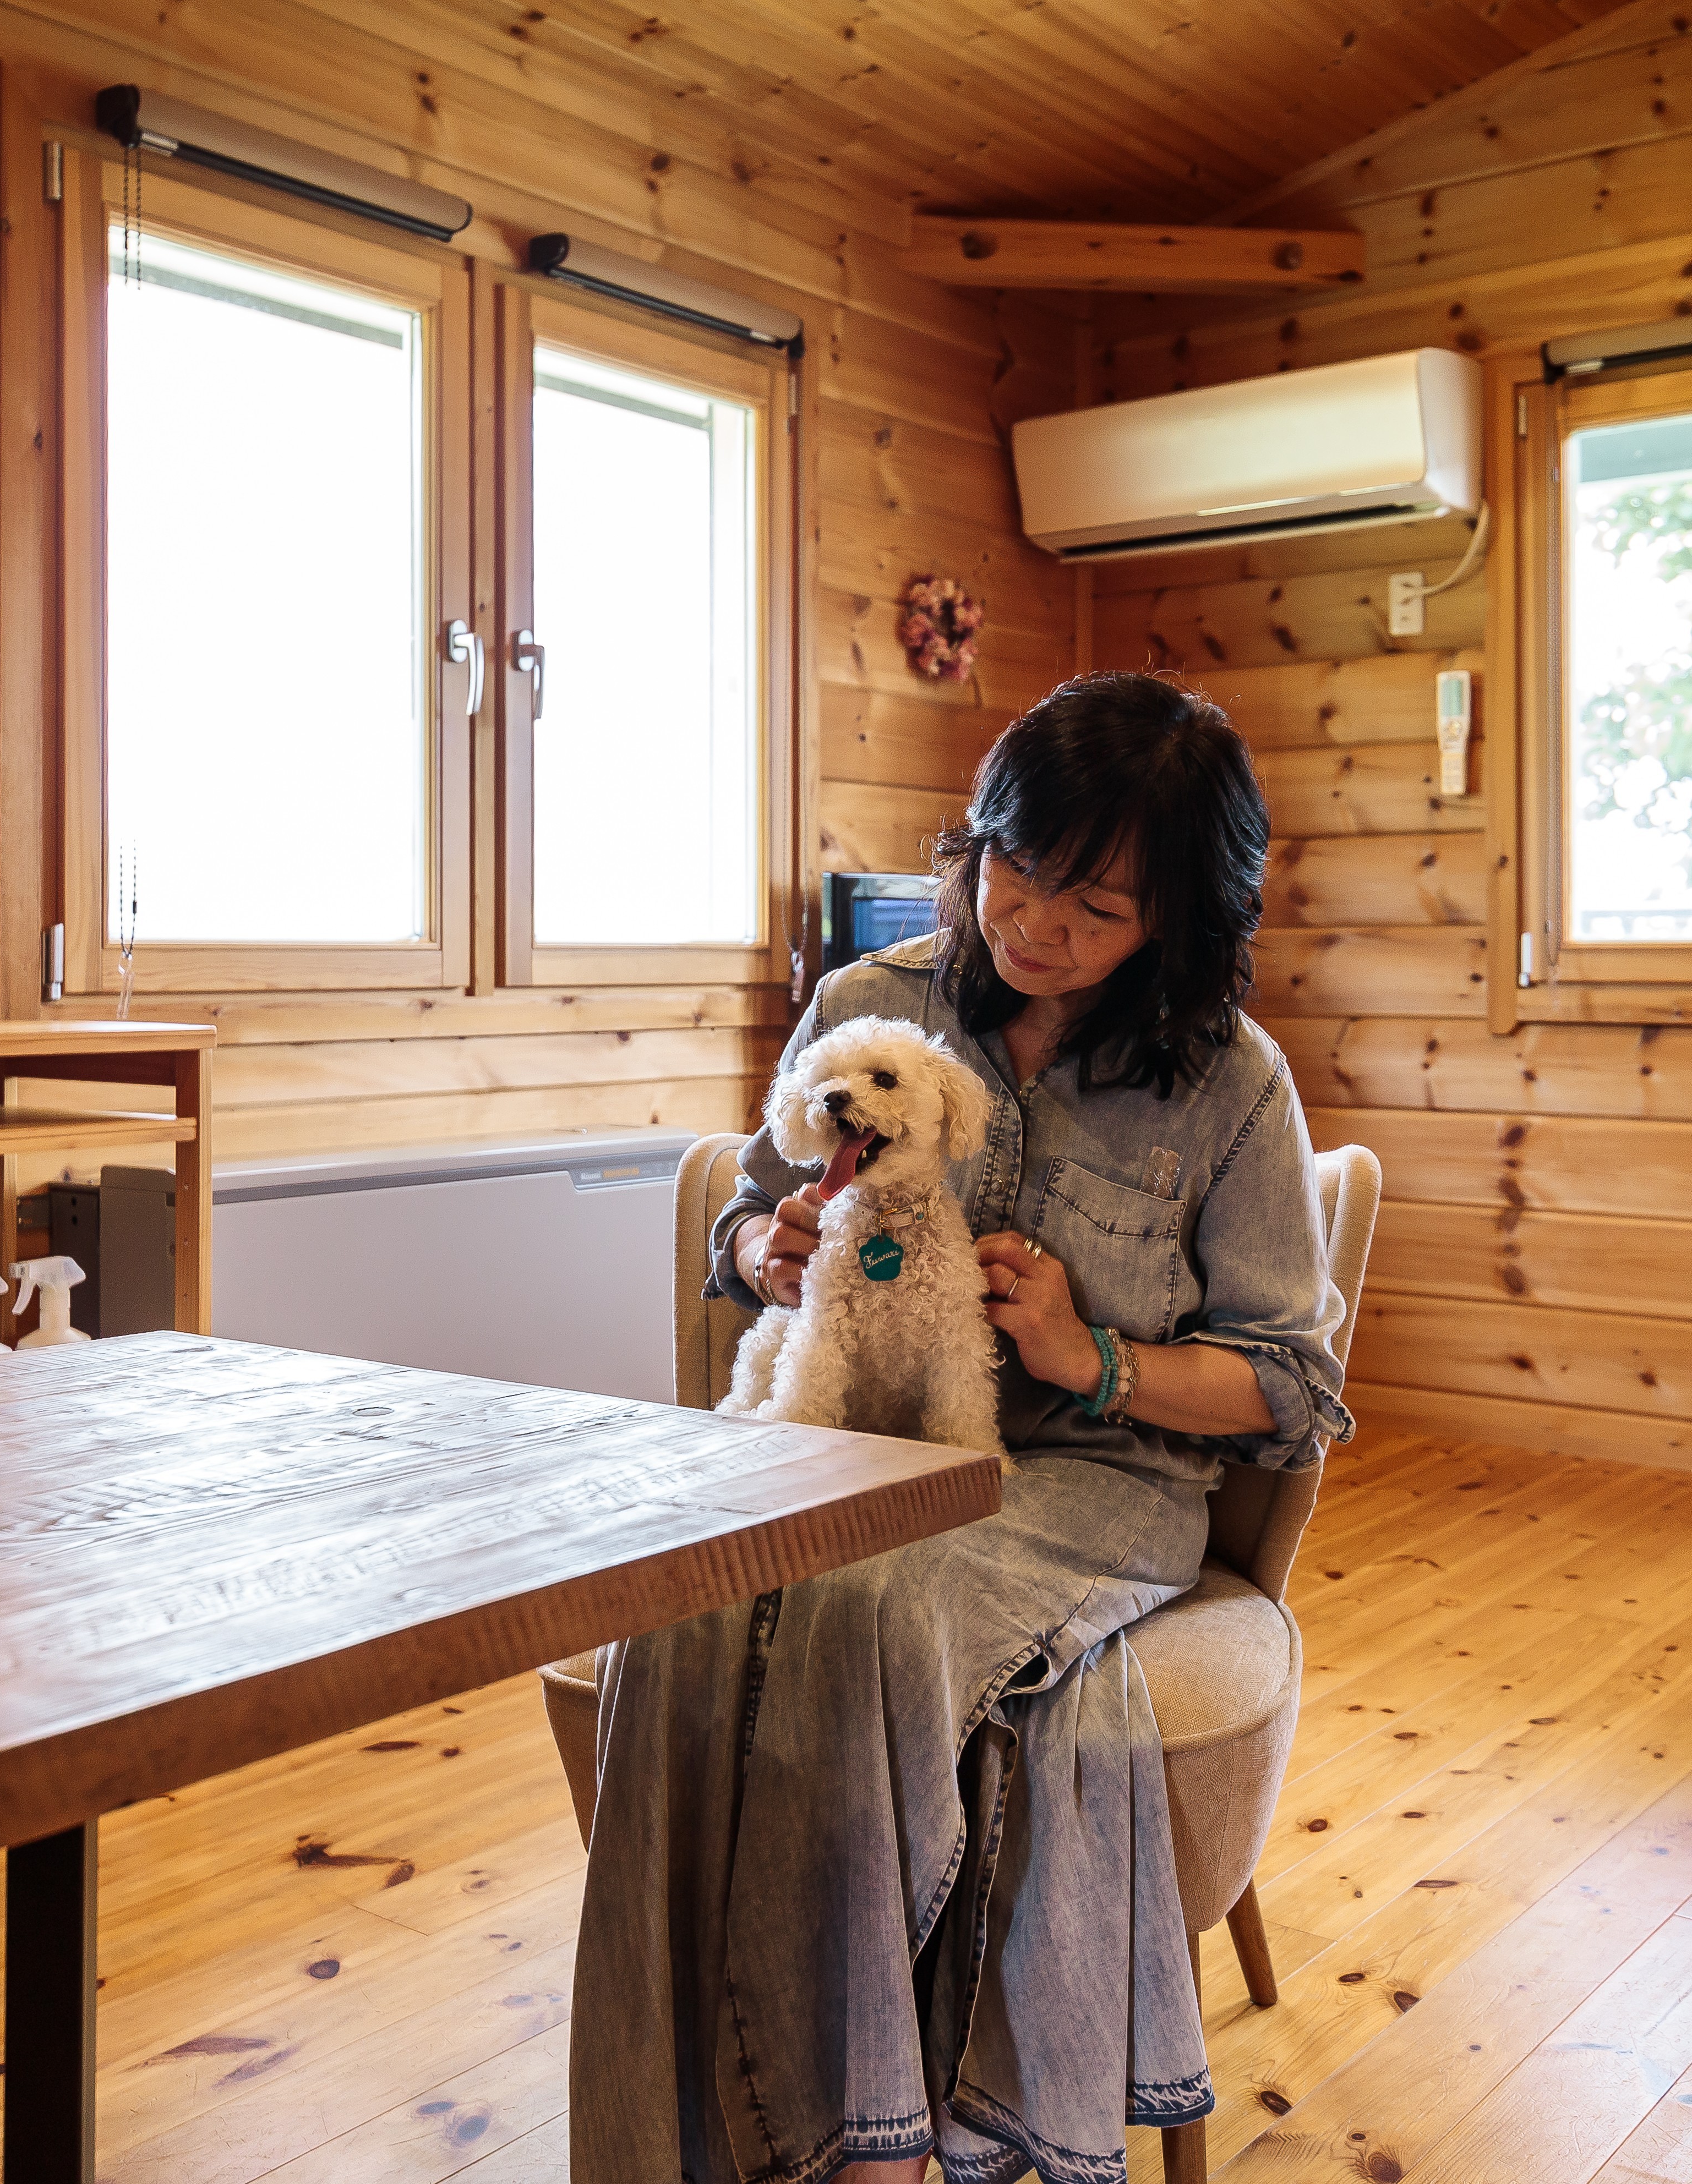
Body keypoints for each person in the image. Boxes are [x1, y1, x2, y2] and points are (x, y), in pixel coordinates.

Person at [571, 671, 1355, 2184]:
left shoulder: (1229, 1086)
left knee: (867, 1610)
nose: (1033, 925)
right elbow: (744, 1214)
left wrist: (1094, 1354)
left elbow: (1287, 1388)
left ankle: (859, 2151)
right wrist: (765, 1254)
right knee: (672, 1611)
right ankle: (654, 2143)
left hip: (1088, 1479)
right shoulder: (869, 1007)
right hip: (847, 1443)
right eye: (1013, 865)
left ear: (1176, 927)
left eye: (1098, 906)